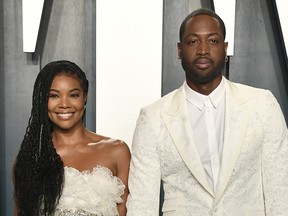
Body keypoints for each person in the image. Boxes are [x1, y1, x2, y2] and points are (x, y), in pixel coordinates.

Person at [126, 8, 288, 215]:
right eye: (193, 41)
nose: (203, 50)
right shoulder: (153, 118)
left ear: (225, 47)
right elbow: (142, 202)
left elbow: (280, 191)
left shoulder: (262, 105)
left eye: (212, 41)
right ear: (179, 49)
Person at [13, 60, 130, 216]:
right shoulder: (30, 159)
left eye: (73, 95)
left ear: (85, 97)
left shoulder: (117, 151)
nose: (64, 104)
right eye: (54, 96)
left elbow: (126, 210)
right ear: (43, 101)